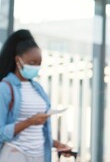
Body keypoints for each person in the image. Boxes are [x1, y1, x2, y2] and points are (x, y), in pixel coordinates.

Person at [0, 30, 72, 162]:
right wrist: (29, 122)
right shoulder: (5, 88)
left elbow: (36, 133)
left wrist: (57, 145)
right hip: (15, 154)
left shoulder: (37, 89)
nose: (36, 67)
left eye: (39, 63)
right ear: (18, 60)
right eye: (32, 63)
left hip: (39, 155)